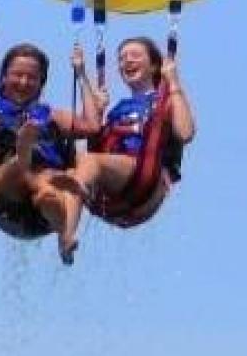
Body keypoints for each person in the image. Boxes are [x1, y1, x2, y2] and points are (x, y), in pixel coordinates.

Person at [0, 42, 101, 265]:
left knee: (48, 190)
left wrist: (81, 74)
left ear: (41, 84)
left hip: (41, 212)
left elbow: (92, 126)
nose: (24, 82)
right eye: (17, 75)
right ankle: (24, 154)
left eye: (32, 77)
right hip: (2, 192)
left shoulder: (52, 116)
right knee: (33, 171)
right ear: (2, 79)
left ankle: (66, 236)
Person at [78, 36, 195, 229]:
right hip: (109, 191)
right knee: (65, 161)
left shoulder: (165, 100)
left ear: (154, 66)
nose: (127, 61)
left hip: (145, 183)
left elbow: (186, 133)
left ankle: (69, 229)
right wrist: (95, 104)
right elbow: (92, 141)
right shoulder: (118, 109)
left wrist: (173, 81)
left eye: (135, 55)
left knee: (87, 161)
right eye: (122, 58)